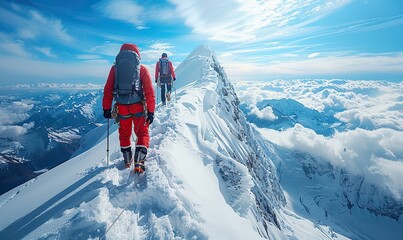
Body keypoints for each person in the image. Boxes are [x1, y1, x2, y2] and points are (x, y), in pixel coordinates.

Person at [103, 43, 155, 174]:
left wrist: (106, 109)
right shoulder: (141, 69)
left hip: (122, 108)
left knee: (124, 133)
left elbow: (108, 90)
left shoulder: (115, 69)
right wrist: (151, 111)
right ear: (137, 55)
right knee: (142, 133)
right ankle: (139, 161)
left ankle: (127, 160)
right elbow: (149, 92)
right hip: (138, 107)